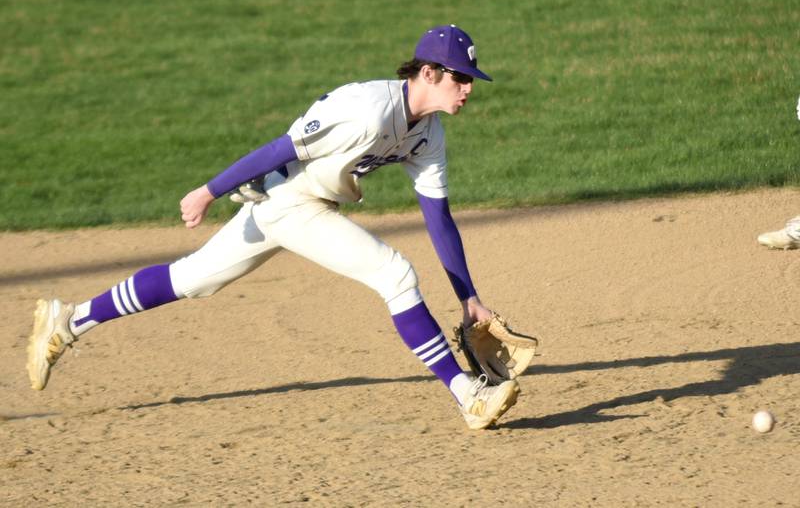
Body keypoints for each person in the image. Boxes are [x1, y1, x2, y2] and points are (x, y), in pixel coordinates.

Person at [26, 25, 521, 430]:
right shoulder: (366, 110)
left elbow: (437, 215)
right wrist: (208, 191)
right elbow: (280, 150)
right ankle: (467, 394)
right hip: (289, 201)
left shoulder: (428, 134)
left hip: (291, 205)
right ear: (429, 73)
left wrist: (468, 296)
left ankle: (68, 322)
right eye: (461, 78)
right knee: (394, 274)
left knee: (193, 278)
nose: (469, 89)